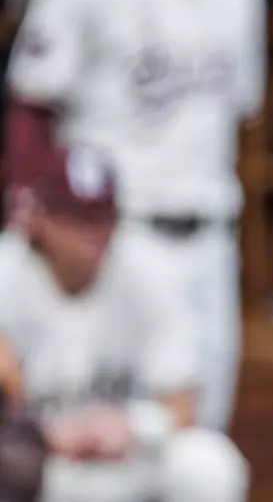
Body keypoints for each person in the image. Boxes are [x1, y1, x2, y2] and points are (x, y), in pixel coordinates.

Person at [3, 0, 265, 434]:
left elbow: (237, 118)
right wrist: (40, 232)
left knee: (200, 438)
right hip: (118, 238)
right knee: (102, 435)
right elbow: (31, 113)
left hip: (210, 239)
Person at [0, 141, 249, 502]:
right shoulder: (8, 270)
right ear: (42, 219)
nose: (92, 235)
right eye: (76, 218)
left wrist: (132, 426)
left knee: (207, 464)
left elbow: (183, 404)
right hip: (40, 464)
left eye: (101, 218)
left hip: (125, 461)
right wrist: (40, 431)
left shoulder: (149, 266)